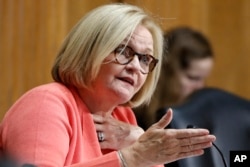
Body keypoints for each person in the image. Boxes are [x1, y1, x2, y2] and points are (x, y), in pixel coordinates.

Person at [0, 4, 216, 167]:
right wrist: (129, 158)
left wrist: (139, 140)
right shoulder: (46, 104)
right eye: (123, 51)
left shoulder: (124, 118)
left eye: (144, 59)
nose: (134, 66)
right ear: (88, 50)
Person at [134, 27, 214, 129]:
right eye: (192, 78)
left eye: (203, 79)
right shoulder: (135, 111)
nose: (200, 87)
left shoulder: (203, 116)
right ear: (167, 71)